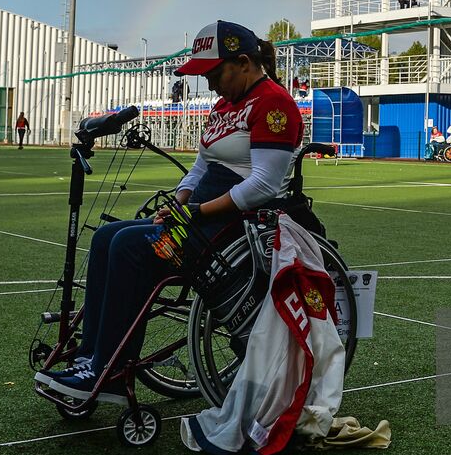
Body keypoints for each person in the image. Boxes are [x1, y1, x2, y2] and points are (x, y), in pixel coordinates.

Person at [39, 20, 302, 403]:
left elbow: (263, 185)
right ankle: (89, 358)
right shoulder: (225, 105)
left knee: (129, 246)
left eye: (214, 73)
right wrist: (178, 205)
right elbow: (199, 167)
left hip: (233, 228)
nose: (210, 84)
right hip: (203, 218)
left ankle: (108, 370)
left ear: (244, 62)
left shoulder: (274, 103)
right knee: (106, 237)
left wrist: (196, 211)